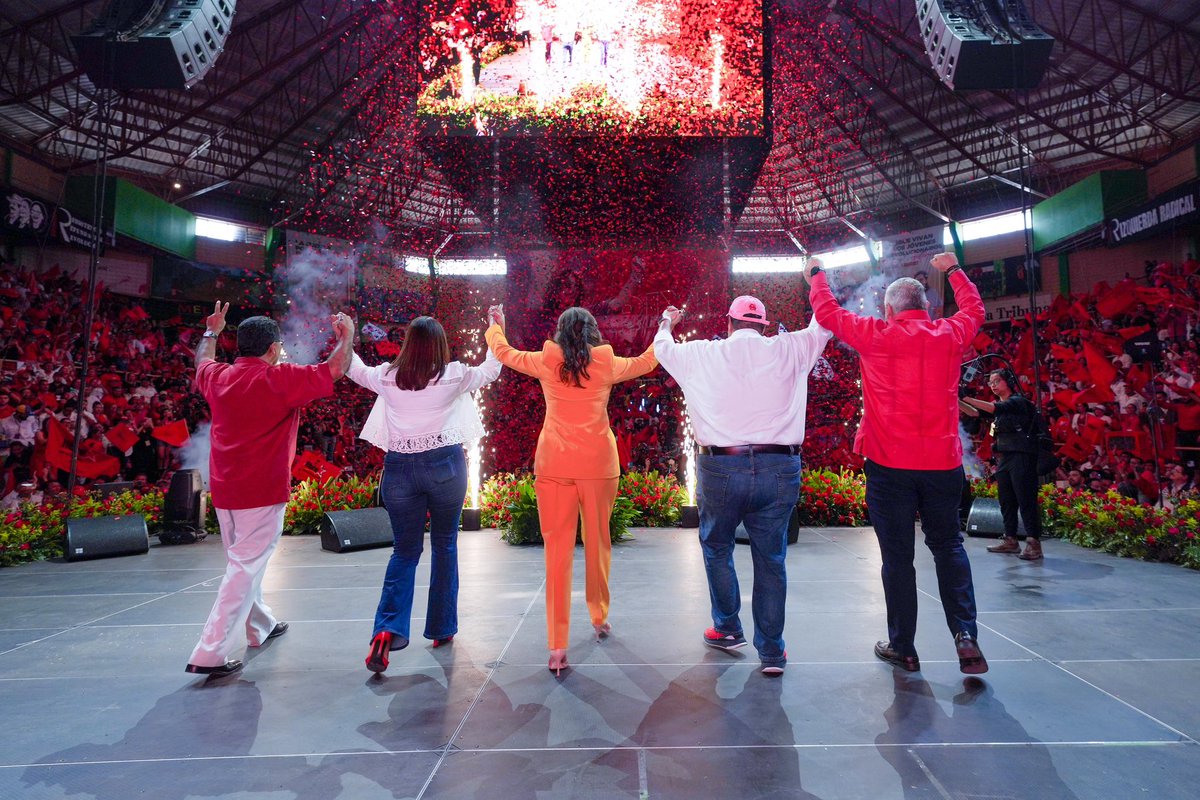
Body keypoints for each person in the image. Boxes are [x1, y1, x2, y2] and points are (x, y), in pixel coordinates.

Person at [804, 252, 989, 675]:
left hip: (890, 465)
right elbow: (975, 309)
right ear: (926, 309)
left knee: (898, 558)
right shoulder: (949, 334)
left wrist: (815, 274)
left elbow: (828, 312)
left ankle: (904, 647)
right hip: (943, 465)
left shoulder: (876, 334)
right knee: (948, 547)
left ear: (889, 310)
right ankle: (965, 634)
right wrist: (956, 270)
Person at [654, 296, 831, 674]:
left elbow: (662, 348)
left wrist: (668, 321)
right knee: (771, 559)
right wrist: (817, 282)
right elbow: (825, 322)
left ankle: (728, 628)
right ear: (765, 326)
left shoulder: (702, 353)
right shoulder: (791, 348)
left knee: (717, 547)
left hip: (722, 466)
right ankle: (771, 652)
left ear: (730, 323)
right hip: (779, 465)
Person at [485, 304, 657, 675]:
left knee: (556, 555)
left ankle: (557, 646)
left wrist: (497, 325)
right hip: (598, 466)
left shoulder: (547, 361)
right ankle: (598, 617)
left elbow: (504, 353)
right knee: (598, 545)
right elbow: (648, 361)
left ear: (560, 332)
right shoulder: (607, 363)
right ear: (594, 331)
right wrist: (666, 327)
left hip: (554, 467)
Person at [185, 303, 354, 678]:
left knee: (243, 562)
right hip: (261, 491)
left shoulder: (220, 376)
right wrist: (348, 335)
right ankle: (210, 651)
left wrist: (211, 331)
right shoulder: (279, 379)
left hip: (225, 489)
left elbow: (201, 362)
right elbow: (336, 369)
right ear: (274, 348)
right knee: (244, 567)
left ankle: (258, 624)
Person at [347, 316, 501, 673]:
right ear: (440, 345)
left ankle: (386, 630)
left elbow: (354, 369)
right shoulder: (454, 375)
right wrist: (496, 329)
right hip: (444, 467)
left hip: (400, 472)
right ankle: (442, 628)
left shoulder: (387, 376)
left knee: (404, 552)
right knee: (445, 544)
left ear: (407, 344)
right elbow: (492, 369)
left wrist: (349, 336)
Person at [961, 370, 1044, 560]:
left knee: (1025, 498)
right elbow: (974, 412)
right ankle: (1011, 539)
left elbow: (993, 408)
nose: (992, 385)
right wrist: (956, 399)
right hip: (1006, 457)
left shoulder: (1018, 402)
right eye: (990, 382)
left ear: (1009, 382)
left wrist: (967, 396)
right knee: (1006, 499)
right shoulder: (1000, 410)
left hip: (1022, 455)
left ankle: (1033, 543)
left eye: (997, 381)